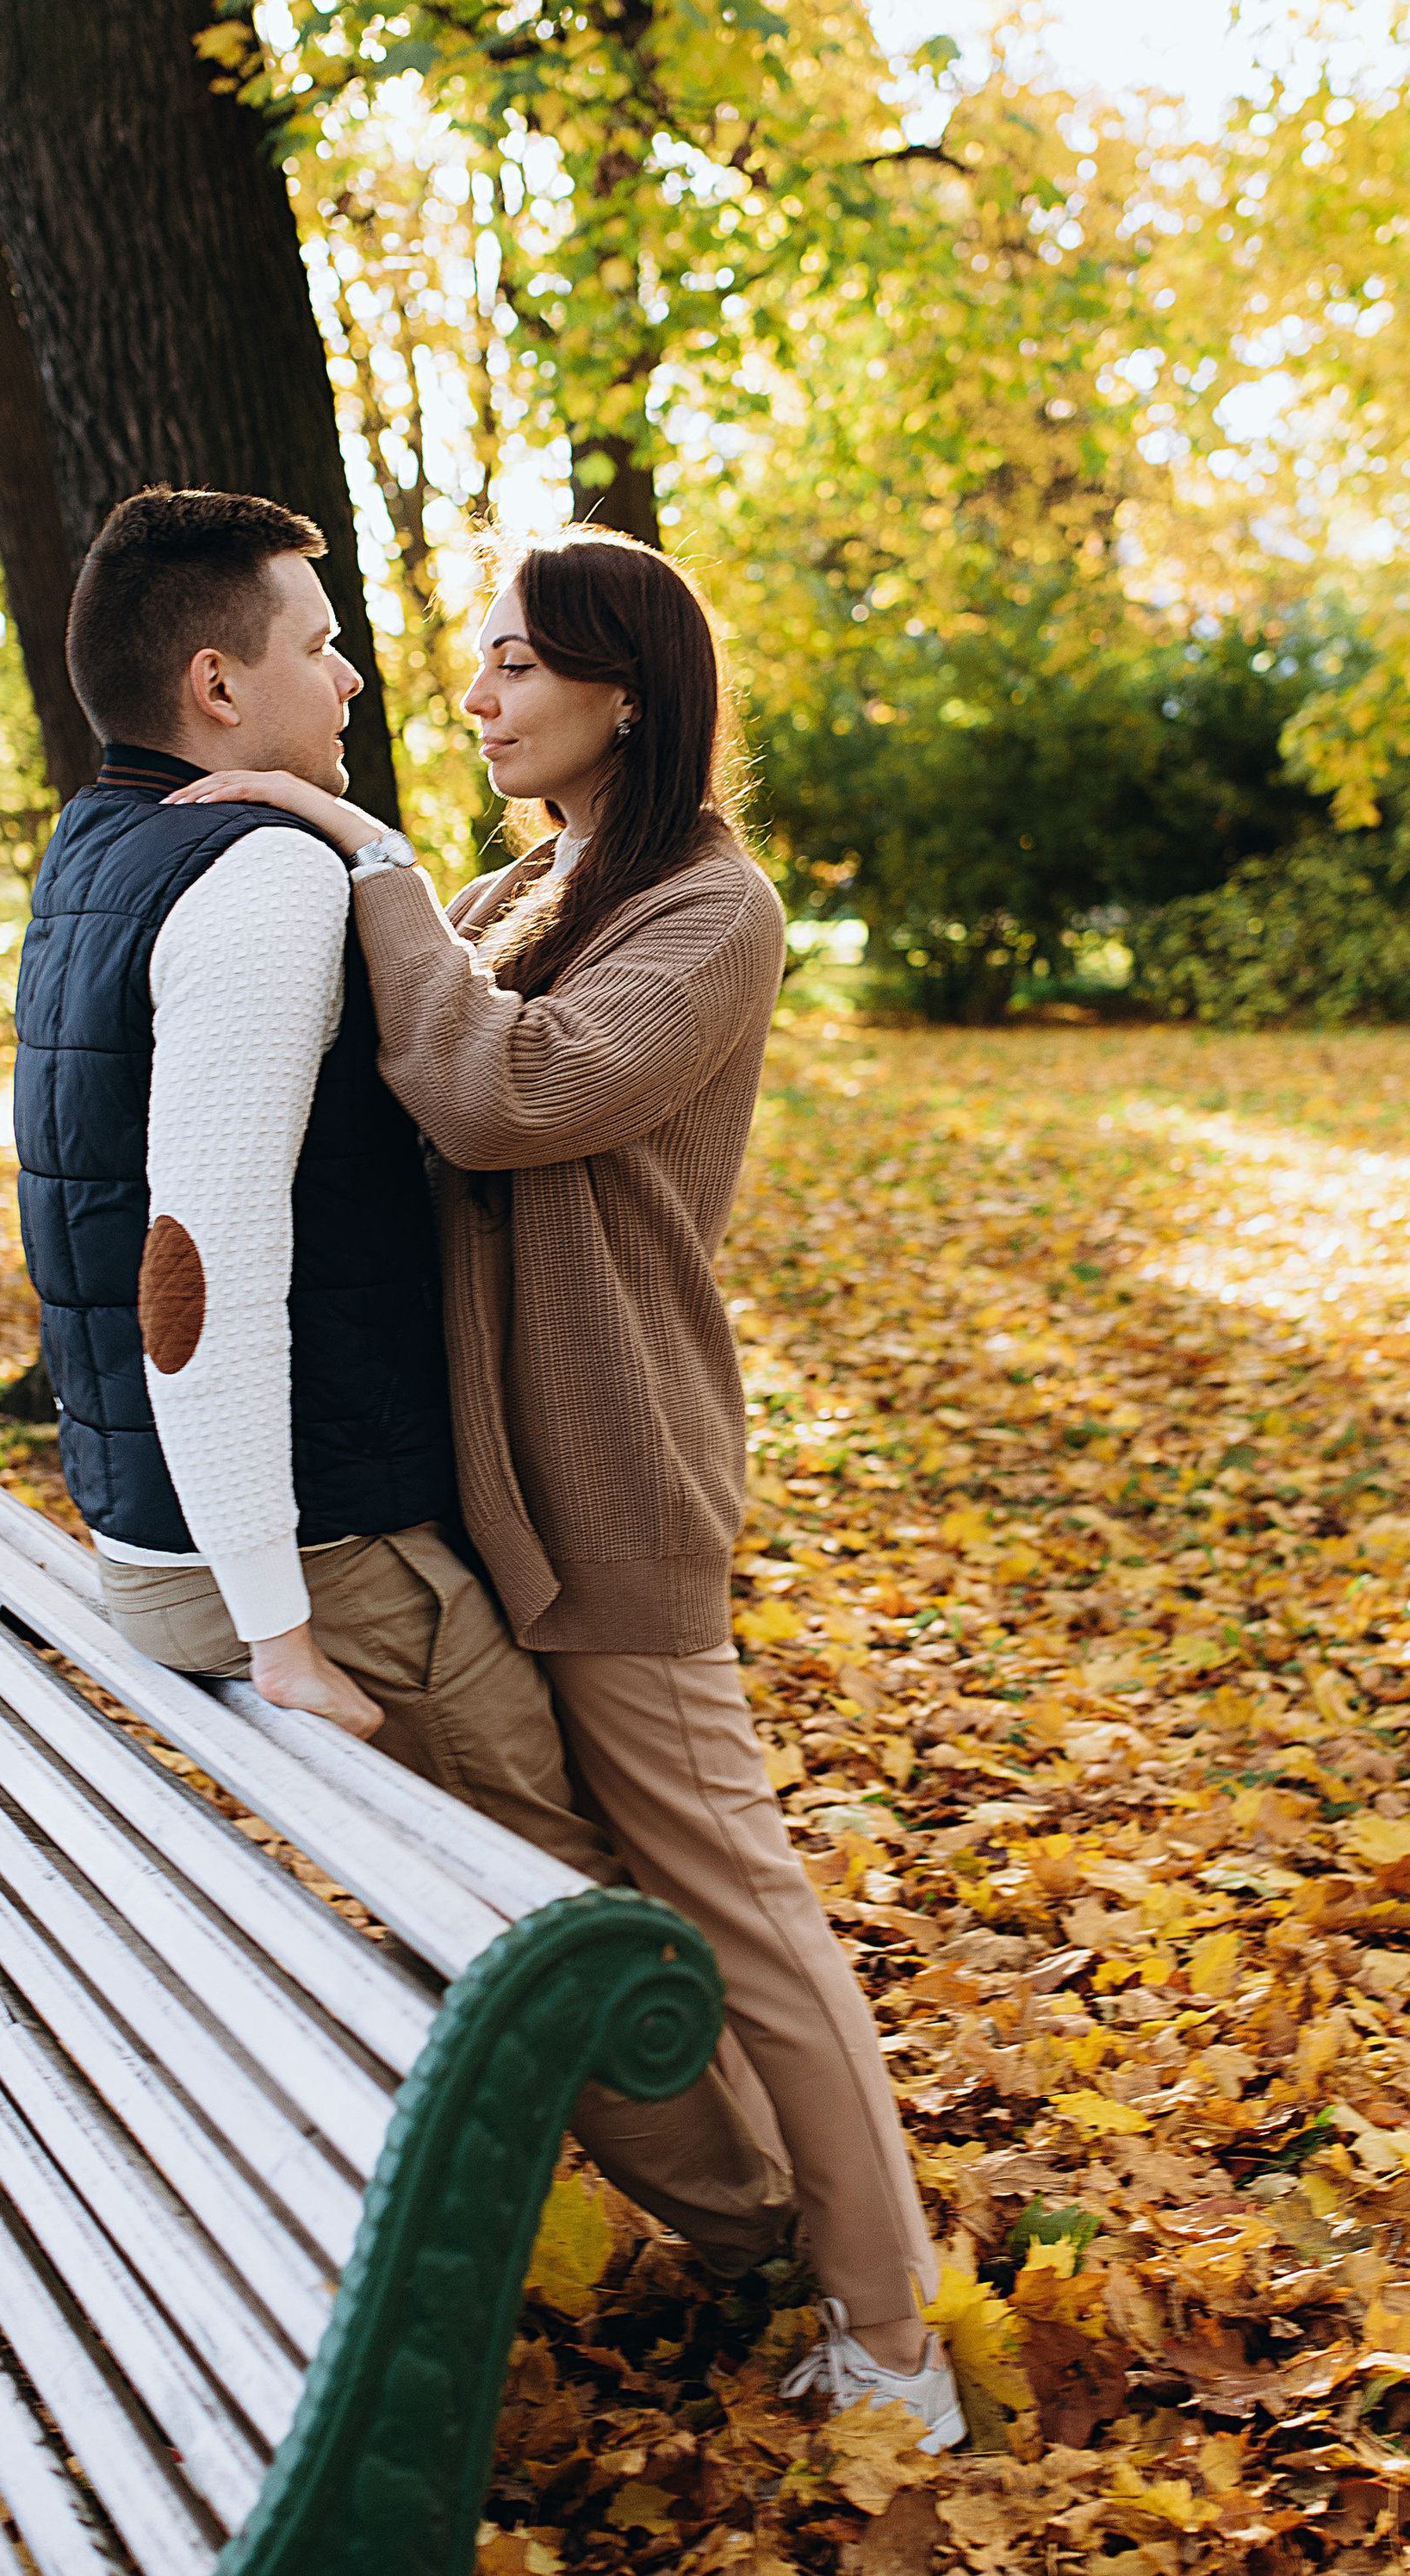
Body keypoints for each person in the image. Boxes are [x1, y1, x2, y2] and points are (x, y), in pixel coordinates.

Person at [167, 523, 964, 2452]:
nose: (475, 694)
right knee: (631, 1899)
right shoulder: (540, 879)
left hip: (612, 1482)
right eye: (482, 662)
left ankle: (897, 2337)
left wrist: (361, 857)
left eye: (517, 662)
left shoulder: (711, 910)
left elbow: (502, 1088)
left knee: (740, 1905)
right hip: (481, 1480)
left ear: (624, 685)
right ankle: (763, 2218)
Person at [13, 486, 793, 2274]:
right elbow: (198, 1265)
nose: (356, 676)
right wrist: (284, 1620)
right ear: (217, 684)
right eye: (315, 642)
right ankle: (765, 2242)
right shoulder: (264, 870)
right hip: (315, 1544)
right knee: (572, 1910)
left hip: (157, 1521)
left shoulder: (97, 848)